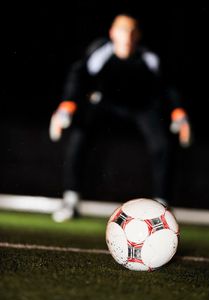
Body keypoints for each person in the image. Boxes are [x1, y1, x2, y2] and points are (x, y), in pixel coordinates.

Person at [49, 13, 191, 222]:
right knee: (80, 134)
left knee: (162, 145)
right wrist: (67, 105)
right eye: (123, 30)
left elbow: (167, 86)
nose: (127, 36)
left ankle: (163, 206)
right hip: (105, 102)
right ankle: (71, 199)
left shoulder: (148, 56)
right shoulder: (100, 52)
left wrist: (178, 112)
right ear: (112, 33)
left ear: (139, 35)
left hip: (141, 105)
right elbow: (78, 76)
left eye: (132, 31)